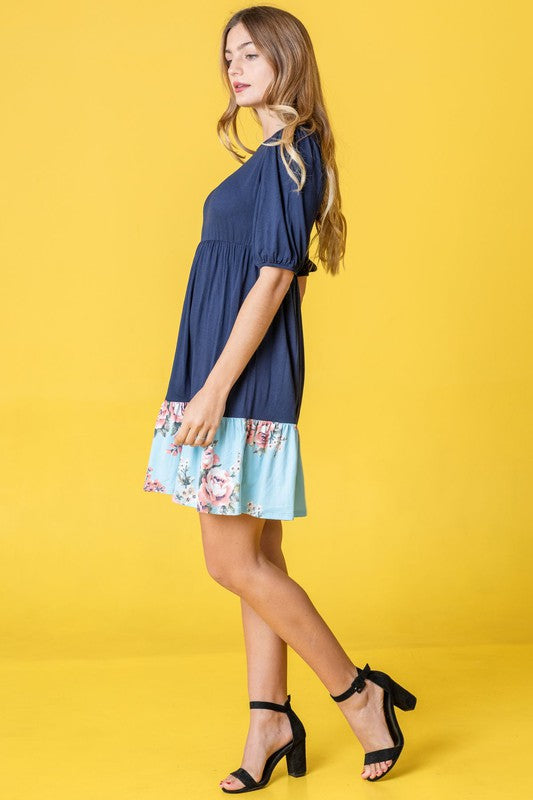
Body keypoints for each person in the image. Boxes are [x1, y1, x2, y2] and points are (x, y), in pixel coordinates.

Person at [143, 5, 417, 791]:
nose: (235, 65)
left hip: (239, 380)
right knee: (256, 557)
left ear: (288, 59)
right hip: (222, 374)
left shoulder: (292, 155)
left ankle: (357, 695)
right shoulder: (270, 154)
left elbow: (268, 282)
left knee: (229, 563)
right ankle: (269, 715)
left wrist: (212, 389)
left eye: (252, 52)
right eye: (228, 54)